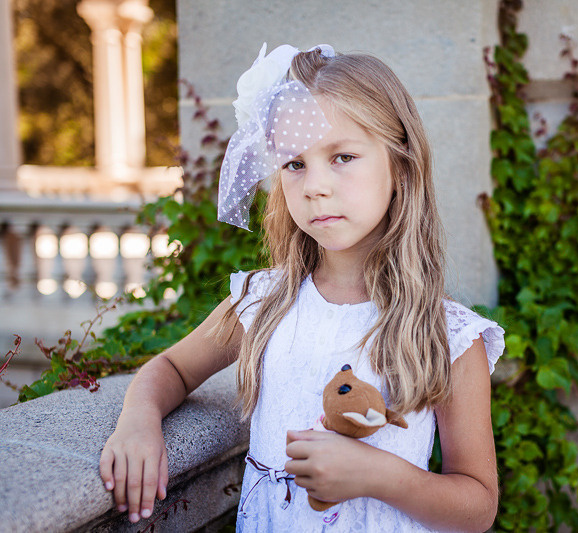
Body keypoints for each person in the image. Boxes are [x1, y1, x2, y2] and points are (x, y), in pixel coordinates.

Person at [99, 42, 505, 532]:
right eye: (294, 164)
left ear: (400, 165)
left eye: (342, 157)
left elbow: (478, 506)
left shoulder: (447, 332)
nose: (315, 185)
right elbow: (171, 369)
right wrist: (139, 422)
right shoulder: (262, 303)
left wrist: (380, 475)